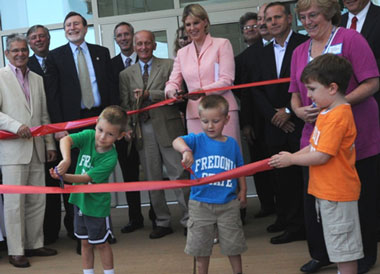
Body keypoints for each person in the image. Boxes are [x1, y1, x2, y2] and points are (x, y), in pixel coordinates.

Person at [290, 1, 380, 273]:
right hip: (313, 133)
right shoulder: (298, 51)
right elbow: (294, 93)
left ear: (328, 13)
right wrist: (297, 110)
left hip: (355, 131)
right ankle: (322, 253)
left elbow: (372, 81)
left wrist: (336, 104)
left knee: (358, 198)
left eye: (313, 14)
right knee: (315, 198)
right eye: (303, 16)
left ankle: (361, 256)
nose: (308, 21)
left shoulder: (351, 39)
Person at [271, 53, 364, 274]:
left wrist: (292, 160)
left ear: (332, 88)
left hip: (338, 194)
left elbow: (322, 155)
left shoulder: (338, 116)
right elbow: (314, 146)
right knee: (337, 246)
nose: (308, 95)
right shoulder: (326, 112)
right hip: (327, 193)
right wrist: (291, 155)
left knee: (345, 250)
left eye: (312, 89)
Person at [45, 11, 117, 246]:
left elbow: (111, 88)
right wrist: (58, 127)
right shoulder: (55, 57)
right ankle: (80, 234)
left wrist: (115, 122)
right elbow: (53, 96)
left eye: (76, 24)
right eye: (68, 25)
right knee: (75, 174)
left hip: (100, 120)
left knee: (100, 176)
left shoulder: (101, 53)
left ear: (86, 28)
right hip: (71, 124)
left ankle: (105, 229)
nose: (72, 28)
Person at [244, 1, 308, 245]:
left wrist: (290, 111)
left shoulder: (304, 44)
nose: (272, 23)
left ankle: (303, 224)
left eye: (277, 18)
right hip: (273, 125)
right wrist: (274, 116)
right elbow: (255, 90)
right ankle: (288, 222)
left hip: (300, 121)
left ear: (290, 18)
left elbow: (310, 82)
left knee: (304, 176)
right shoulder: (261, 52)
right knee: (281, 178)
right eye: (268, 19)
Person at [119, 30, 189, 239]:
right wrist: (127, 128)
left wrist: (151, 94)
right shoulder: (126, 74)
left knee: (179, 174)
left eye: (147, 43)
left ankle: (189, 219)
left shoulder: (169, 65)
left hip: (169, 128)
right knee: (153, 178)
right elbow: (125, 104)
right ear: (134, 46)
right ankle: (162, 221)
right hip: (143, 130)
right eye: (139, 44)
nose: (143, 47)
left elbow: (178, 95)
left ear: (154, 45)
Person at [172, 94, 247, 274]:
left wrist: (243, 190)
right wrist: (186, 151)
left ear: (227, 119)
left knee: (233, 247)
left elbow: (240, 168)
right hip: (200, 204)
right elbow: (176, 140)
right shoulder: (196, 140)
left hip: (228, 205)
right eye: (205, 121)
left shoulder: (232, 144)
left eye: (215, 120)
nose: (210, 126)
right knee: (200, 250)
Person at [0, 33, 57, 268]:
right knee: (14, 203)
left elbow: (43, 115)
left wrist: (50, 144)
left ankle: (35, 243)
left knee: (37, 199)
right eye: (15, 50)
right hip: (12, 151)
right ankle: (16, 251)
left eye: (23, 50)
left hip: (37, 147)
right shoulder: (0, 77)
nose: (21, 54)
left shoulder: (37, 78)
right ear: (6, 54)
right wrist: (16, 126)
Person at [50, 105, 127, 274]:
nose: (102, 137)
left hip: (97, 206)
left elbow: (86, 179)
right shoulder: (89, 136)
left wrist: (63, 176)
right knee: (84, 242)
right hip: (79, 201)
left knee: (102, 243)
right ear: (96, 123)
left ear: (120, 136)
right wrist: (67, 160)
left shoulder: (110, 157)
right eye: (100, 130)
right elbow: (65, 139)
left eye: (110, 134)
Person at [165, 3, 241, 148]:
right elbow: (172, 82)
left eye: (196, 23)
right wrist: (172, 92)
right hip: (195, 115)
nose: (192, 28)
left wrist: (202, 91)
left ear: (205, 22)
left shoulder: (222, 44)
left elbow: (227, 80)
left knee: (227, 159)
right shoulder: (182, 53)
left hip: (223, 113)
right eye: (188, 24)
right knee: (201, 160)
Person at [26, 24, 63, 246]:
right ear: (29, 43)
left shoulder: (60, 60)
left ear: (49, 39)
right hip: (41, 134)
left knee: (67, 181)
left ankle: (73, 228)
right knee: (48, 185)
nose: (38, 40)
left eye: (42, 36)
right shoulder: (25, 66)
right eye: (34, 38)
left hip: (65, 129)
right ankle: (49, 234)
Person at [239, 3, 276, 220]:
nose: (253, 29)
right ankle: (267, 205)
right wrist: (246, 123)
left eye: (256, 25)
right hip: (255, 120)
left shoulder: (278, 48)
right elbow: (243, 94)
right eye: (248, 27)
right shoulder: (243, 58)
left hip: (282, 116)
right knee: (259, 164)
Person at [111, 21, 144, 234]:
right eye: (119, 35)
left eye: (126, 34)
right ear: (115, 39)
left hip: (149, 126)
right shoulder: (110, 65)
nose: (123, 38)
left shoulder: (146, 59)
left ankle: (159, 214)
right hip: (124, 132)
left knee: (154, 171)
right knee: (130, 174)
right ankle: (135, 217)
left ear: (132, 36)